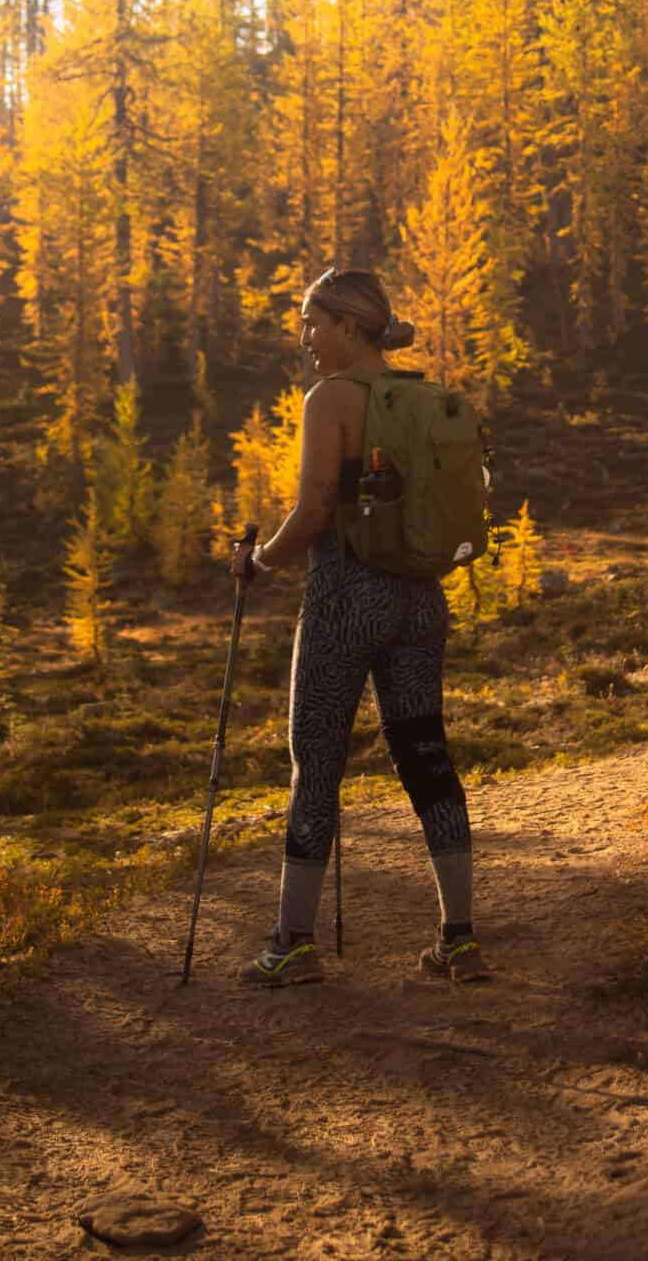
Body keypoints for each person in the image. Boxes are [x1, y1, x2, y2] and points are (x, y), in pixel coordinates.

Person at [230, 266, 487, 987]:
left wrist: (259, 564)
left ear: (348, 326)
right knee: (426, 757)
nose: (306, 339)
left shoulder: (331, 399)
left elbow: (313, 514)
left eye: (313, 323)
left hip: (347, 603)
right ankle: (460, 940)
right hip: (420, 600)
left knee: (316, 763)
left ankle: (293, 943)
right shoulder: (420, 396)